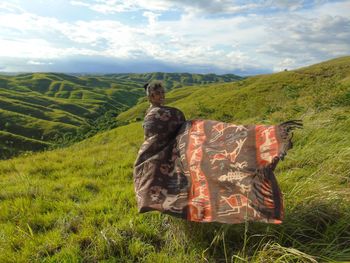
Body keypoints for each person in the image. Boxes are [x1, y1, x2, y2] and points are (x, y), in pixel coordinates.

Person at [133, 81, 302, 224]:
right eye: (158, 93)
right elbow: (158, 136)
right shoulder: (162, 114)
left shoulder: (160, 113)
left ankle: (182, 214)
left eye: (163, 92)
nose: (162, 95)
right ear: (151, 96)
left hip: (171, 148)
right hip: (164, 151)